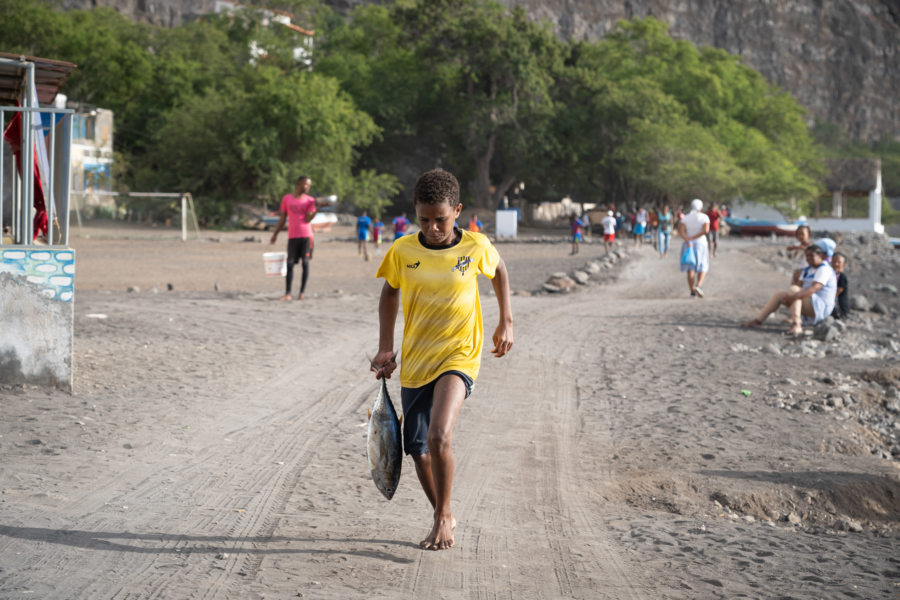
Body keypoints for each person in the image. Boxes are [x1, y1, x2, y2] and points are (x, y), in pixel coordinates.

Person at [370, 169, 513, 551]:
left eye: (441, 220)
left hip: (459, 355)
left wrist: (506, 321)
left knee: (438, 436)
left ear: (458, 212)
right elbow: (388, 293)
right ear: (415, 214)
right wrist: (386, 347)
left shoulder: (475, 246)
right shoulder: (403, 251)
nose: (433, 228)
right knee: (415, 447)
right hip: (417, 360)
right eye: (424, 220)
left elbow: (498, 269)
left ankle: (440, 519)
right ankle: (445, 512)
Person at [741, 239, 837, 335]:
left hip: (820, 306)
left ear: (821, 256)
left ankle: (797, 325)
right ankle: (758, 321)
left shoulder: (824, 269)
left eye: (811, 256)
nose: (808, 259)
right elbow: (798, 285)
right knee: (779, 294)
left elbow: (813, 288)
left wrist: (792, 297)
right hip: (810, 302)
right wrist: (789, 296)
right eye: (807, 256)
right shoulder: (808, 269)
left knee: (794, 291)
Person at [270, 176, 323, 301]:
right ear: (299, 183)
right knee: (289, 264)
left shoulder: (310, 201)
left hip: (307, 236)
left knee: (305, 263)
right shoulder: (287, 199)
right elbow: (282, 219)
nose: (307, 187)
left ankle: (301, 293)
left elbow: (308, 219)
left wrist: (318, 209)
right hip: (292, 236)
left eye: (309, 185)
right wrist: (275, 234)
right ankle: (288, 293)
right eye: (305, 184)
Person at [678, 198, 710, 297]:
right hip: (701, 244)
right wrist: (694, 237)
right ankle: (698, 286)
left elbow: (681, 231)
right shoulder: (704, 217)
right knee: (702, 266)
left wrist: (688, 239)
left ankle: (692, 291)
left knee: (690, 268)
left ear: (691, 206)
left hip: (688, 245)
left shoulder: (685, 218)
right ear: (701, 208)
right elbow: (706, 230)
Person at [831, 252, 850, 319]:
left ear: (843, 264)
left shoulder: (842, 277)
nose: (836, 264)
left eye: (839, 262)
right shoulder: (832, 275)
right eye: (834, 261)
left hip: (840, 308)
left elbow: (838, 291)